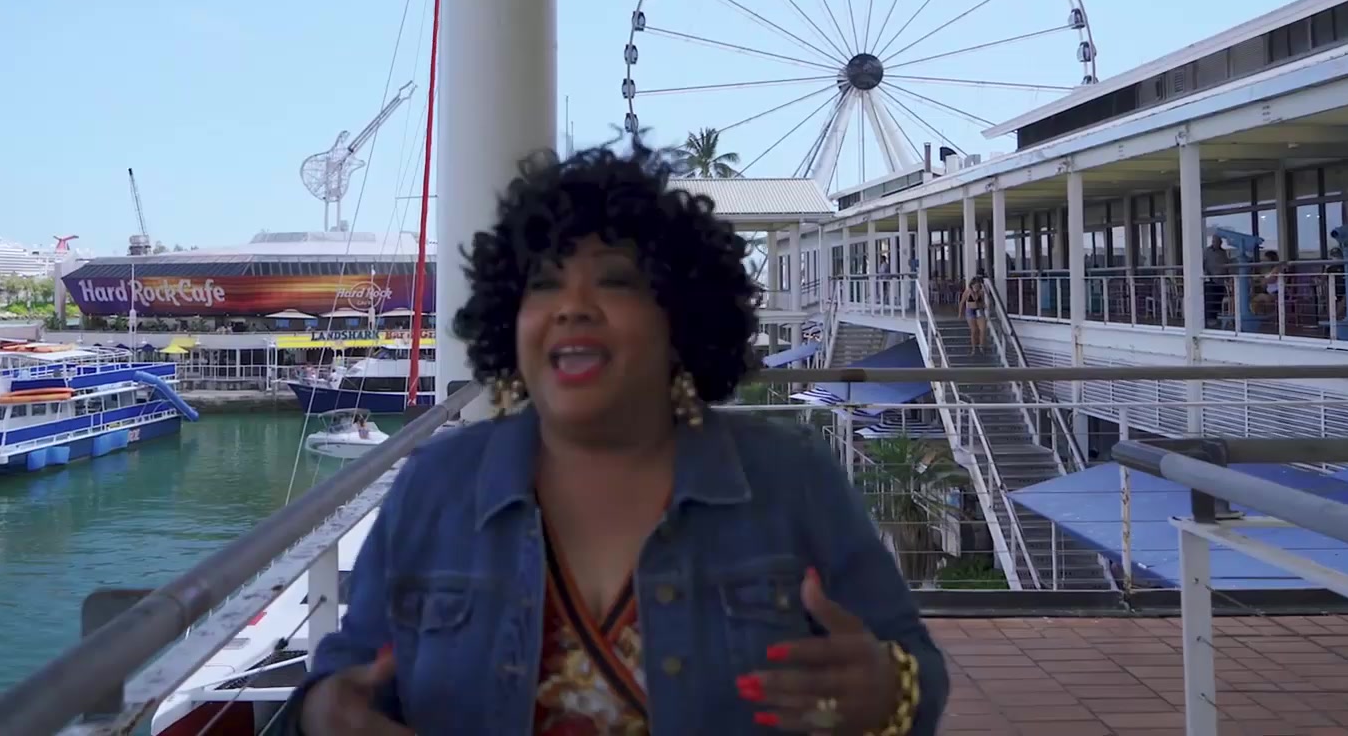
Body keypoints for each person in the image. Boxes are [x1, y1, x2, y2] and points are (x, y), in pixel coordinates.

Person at [287, 143, 946, 735]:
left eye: (615, 280)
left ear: (679, 316)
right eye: (544, 283)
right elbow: (343, 676)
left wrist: (888, 694)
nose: (572, 305)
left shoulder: (791, 478)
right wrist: (323, 712)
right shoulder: (433, 487)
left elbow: (916, 669)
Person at [960, 273, 990, 353]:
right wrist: (960, 313)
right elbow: (962, 302)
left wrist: (984, 306)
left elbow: (982, 302)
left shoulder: (981, 292)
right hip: (970, 311)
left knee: (983, 329)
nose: (976, 288)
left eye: (977, 286)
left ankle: (981, 346)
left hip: (979, 310)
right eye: (975, 286)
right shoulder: (967, 292)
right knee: (974, 330)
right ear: (972, 285)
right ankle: (974, 348)